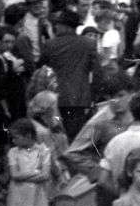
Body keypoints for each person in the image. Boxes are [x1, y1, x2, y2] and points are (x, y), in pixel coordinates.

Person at [40, 9, 103, 141]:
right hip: (80, 98)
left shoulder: (50, 45)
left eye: (58, 25)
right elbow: (97, 72)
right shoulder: (88, 44)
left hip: (54, 98)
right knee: (75, 138)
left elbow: (41, 70)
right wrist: (94, 95)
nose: (55, 27)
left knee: (56, 136)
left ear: (64, 26)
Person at [6, 118, 51, 206]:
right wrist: (36, 172)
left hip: (37, 193)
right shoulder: (13, 152)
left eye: (16, 138)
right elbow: (14, 174)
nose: (13, 141)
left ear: (28, 136)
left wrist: (22, 177)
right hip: (18, 193)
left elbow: (45, 175)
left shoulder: (43, 151)